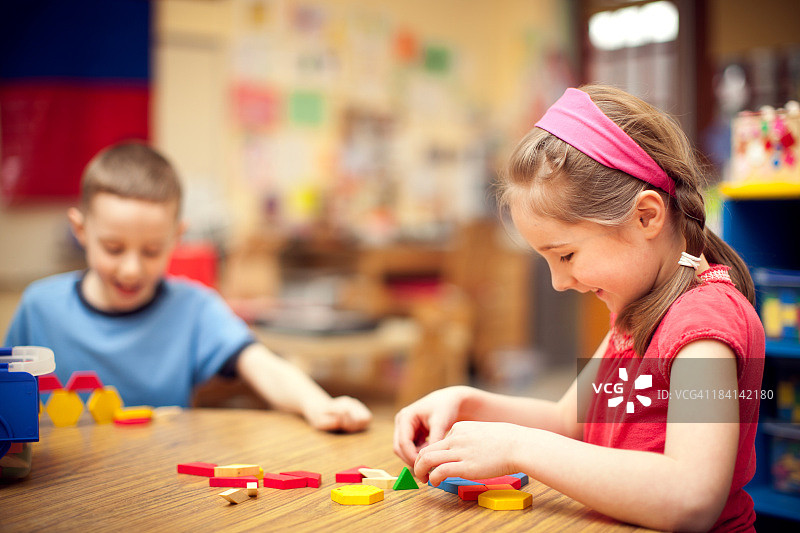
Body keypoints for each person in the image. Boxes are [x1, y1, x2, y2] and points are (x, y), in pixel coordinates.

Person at [393, 85, 764, 532]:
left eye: (566, 255)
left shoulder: (701, 326)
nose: (559, 281)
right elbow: (568, 421)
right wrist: (465, 400)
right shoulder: (640, 310)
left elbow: (690, 498)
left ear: (646, 216)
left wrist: (518, 447)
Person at [5, 142, 371, 433]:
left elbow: (261, 365)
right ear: (81, 231)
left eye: (151, 251)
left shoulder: (194, 307)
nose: (131, 269)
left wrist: (319, 404)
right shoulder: (41, 306)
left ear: (177, 237)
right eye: (113, 248)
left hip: (161, 486)